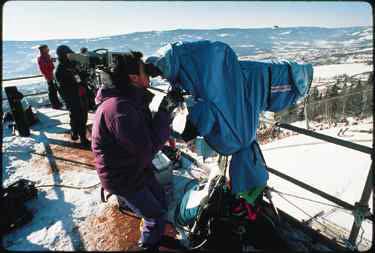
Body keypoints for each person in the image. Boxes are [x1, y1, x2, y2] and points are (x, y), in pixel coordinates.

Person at [91, 51, 182, 251]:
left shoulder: (127, 101)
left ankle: (155, 234)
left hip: (134, 167)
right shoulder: (119, 109)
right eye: (145, 72)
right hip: (123, 176)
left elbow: (142, 137)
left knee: (160, 201)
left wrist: (164, 112)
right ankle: (148, 245)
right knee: (155, 215)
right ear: (133, 78)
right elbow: (146, 149)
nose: (149, 76)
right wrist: (165, 112)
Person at [55, 45, 90, 146]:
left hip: (79, 94)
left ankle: (74, 132)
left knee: (76, 115)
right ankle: (83, 138)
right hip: (72, 96)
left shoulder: (71, 65)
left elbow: (79, 76)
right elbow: (68, 84)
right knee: (80, 116)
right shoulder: (61, 70)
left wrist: (83, 76)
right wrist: (79, 79)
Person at [37, 44, 63, 109]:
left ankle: (57, 104)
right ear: (43, 50)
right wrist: (48, 77)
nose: (48, 49)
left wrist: (58, 58)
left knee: (55, 90)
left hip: (52, 76)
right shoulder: (41, 58)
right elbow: (44, 69)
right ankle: (55, 105)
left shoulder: (47, 56)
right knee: (52, 91)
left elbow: (52, 61)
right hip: (50, 77)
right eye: (46, 48)